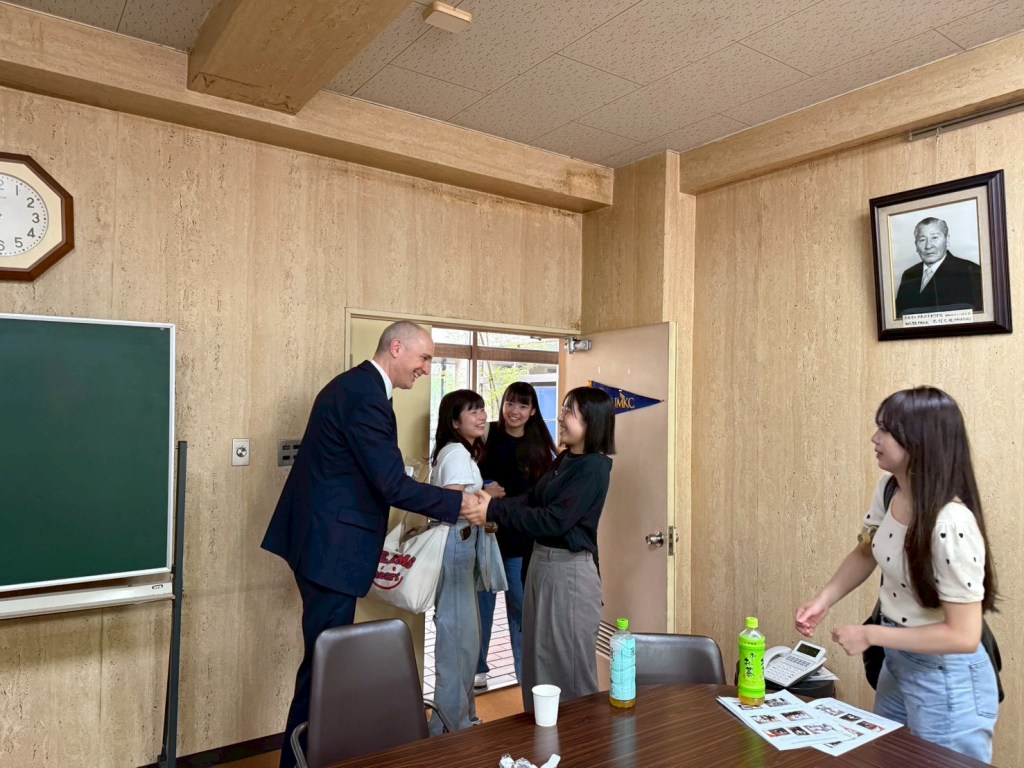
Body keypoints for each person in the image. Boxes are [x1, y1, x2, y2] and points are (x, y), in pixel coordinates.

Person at [260, 321, 487, 768]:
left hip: (324, 543)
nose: (426, 369)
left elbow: (371, 472)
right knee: (324, 669)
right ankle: (301, 761)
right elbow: (390, 484)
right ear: (396, 348)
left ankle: (311, 758)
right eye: (424, 358)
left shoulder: (359, 388)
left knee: (325, 666)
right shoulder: (365, 394)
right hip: (330, 549)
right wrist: (459, 503)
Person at [794, 387, 999, 762]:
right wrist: (823, 600)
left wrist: (869, 634)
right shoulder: (891, 489)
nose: (875, 438)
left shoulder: (951, 523)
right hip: (898, 661)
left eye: (886, 430)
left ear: (919, 440)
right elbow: (865, 550)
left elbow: (964, 636)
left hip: (946, 678)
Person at [480, 386, 615, 711]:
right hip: (541, 565)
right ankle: (541, 734)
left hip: (568, 572)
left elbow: (554, 520)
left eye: (569, 411)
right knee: (538, 660)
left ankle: (579, 740)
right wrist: (491, 506)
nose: (561, 417)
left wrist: (493, 510)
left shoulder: (594, 467)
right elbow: (533, 499)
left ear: (592, 422)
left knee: (568, 669)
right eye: (564, 409)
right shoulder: (567, 459)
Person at [475, 382, 556, 690]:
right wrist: (485, 488)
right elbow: (470, 475)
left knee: (521, 610)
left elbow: (543, 496)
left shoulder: (539, 445)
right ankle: (478, 669)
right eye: (510, 403)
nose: (515, 411)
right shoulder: (487, 434)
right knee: (481, 609)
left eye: (523, 405)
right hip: (487, 539)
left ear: (533, 411)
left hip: (522, 543)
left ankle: (526, 674)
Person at [426, 389, 496, 734]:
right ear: (455, 422)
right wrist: (487, 499)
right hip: (456, 546)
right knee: (457, 643)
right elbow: (450, 505)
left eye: (481, 409)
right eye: (472, 411)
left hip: (461, 548)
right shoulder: (455, 453)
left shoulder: (457, 451)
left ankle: (461, 721)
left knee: (464, 642)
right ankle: (449, 730)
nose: (481, 416)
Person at [895, 217, 982, 318]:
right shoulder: (909, 275)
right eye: (922, 240)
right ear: (916, 245)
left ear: (947, 240)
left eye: (934, 238)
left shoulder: (970, 271)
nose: (928, 246)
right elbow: (899, 317)